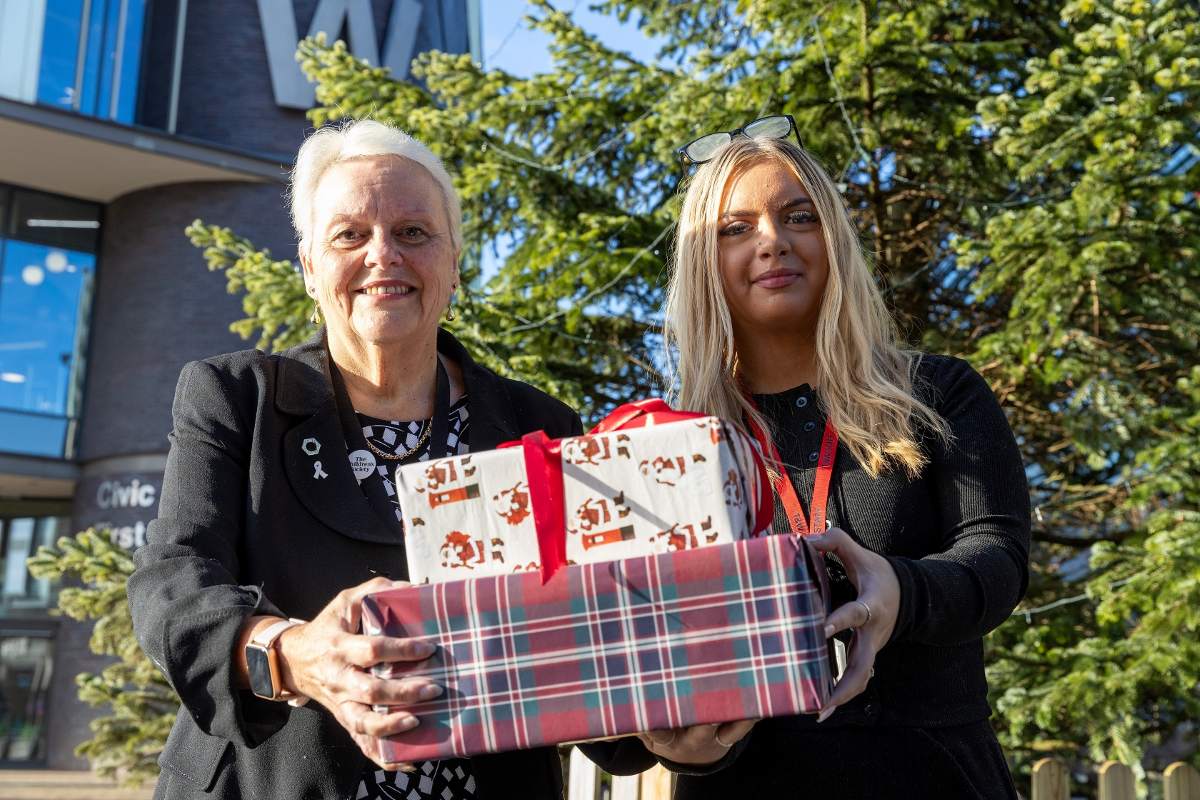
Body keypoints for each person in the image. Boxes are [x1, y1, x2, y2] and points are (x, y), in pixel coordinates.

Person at [127, 120, 580, 800]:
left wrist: (669, 734)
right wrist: (291, 654)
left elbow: (595, 623)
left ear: (453, 264)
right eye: (350, 235)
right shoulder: (235, 400)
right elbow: (174, 584)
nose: (382, 255)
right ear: (311, 269)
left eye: (413, 233)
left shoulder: (538, 427)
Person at [580, 116, 1030, 798]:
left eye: (799, 216)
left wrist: (900, 592)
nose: (772, 242)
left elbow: (997, 555)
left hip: (932, 775)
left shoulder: (937, 393)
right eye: (735, 228)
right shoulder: (659, 449)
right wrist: (664, 742)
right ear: (704, 260)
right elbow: (615, 672)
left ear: (833, 238)